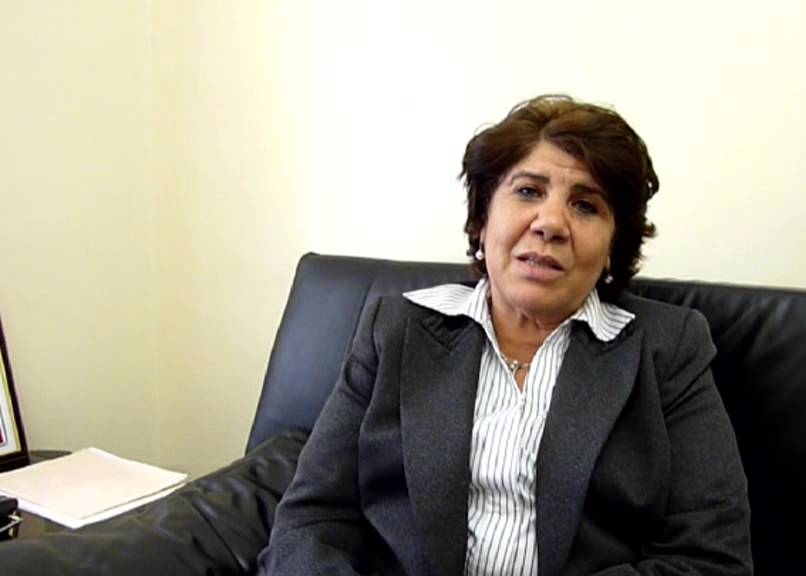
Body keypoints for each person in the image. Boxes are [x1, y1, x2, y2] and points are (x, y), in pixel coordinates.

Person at [259, 95, 752, 575]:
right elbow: (312, 518)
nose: (551, 223)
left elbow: (712, 557)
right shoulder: (395, 330)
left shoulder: (668, 349)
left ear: (612, 247)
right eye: (528, 191)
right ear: (482, 218)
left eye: (585, 206)